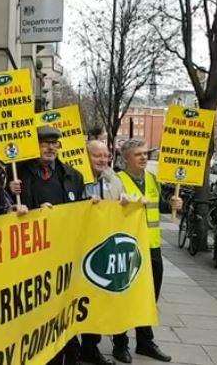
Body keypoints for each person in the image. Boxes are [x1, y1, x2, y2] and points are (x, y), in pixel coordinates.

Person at [12, 125, 84, 365]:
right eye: (44, 142)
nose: (50, 147)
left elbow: (81, 214)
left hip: (63, 260)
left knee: (63, 314)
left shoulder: (73, 176)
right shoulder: (17, 175)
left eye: (54, 143)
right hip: (31, 260)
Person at [113, 138, 182, 363]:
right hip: (128, 248)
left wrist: (172, 204)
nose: (144, 157)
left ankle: (145, 342)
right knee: (125, 296)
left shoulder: (152, 179)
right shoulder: (117, 180)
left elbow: (157, 206)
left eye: (146, 153)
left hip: (152, 247)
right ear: (126, 158)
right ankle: (120, 343)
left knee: (149, 298)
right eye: (138, 154)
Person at [79, 140, 129, 365]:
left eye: (106, 155)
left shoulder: (113, 180)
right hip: (79, 248)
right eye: (97, 155)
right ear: (86, 156)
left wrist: (126, 202)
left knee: (98, 300)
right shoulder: (74, 177)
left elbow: (123, 205)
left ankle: (91, 347)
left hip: (103, 249)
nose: (102, 160)